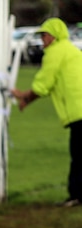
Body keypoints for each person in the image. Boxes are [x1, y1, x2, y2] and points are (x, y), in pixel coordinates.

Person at [11, 18, 82, 207]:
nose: (42, 39)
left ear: (54, 36)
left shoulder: (55, 52)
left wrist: (23, 95)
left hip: (79, 111)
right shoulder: (70, 50)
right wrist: (27, 100)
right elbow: (48, 86)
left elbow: (44, 84)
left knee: (78, 155)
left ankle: (76, 196)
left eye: (44, 35)